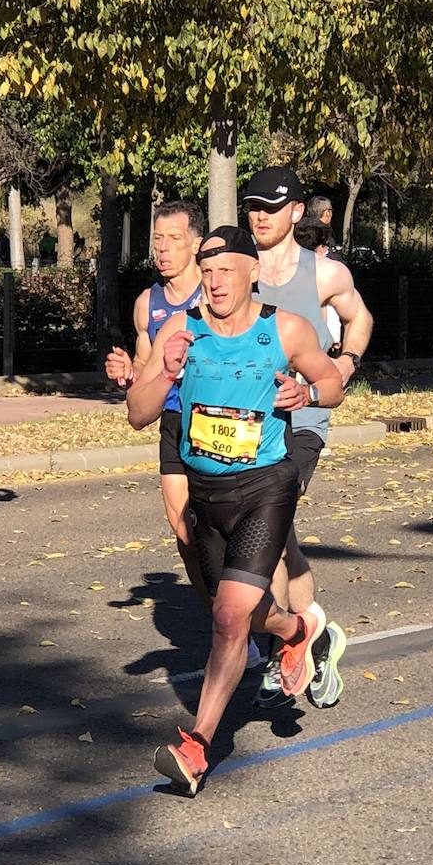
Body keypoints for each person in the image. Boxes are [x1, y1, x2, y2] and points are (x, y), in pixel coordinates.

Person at [127, 225, 345, 795]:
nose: (216, 281)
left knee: (227, 618)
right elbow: (137, 412)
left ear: (252, 271)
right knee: (245, 616)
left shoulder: (286, 329)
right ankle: (297, 629)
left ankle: (196, 746)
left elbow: (332, 383)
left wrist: (307, 395)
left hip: (264, 488)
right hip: (206, 491)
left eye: (227, 269)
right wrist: (169, 371)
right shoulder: (182, 329)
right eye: (208, 270)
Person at [104, 202, 263, 672]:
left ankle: (247, 616)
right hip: (175, 421)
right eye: (157, 240)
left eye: (173, 239)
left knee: (230, 529)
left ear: (196, 243)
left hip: (223, 420)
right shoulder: (148, 304)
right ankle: (226, 615)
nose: (162, 249)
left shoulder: (217, 290)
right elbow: (147, 371)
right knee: (184, 530)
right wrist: (129, 374)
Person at [244, 166, 374, 708]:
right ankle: (315, 638)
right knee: (278, 538)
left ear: (296, 213)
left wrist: (345, 364)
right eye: (253, 205)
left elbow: (360, 317)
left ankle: (286, 652)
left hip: (303, 424)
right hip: (248, 424)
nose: (260, 216)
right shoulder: (239, 272)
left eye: (271, 207)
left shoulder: (323, 273)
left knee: (267, 528)